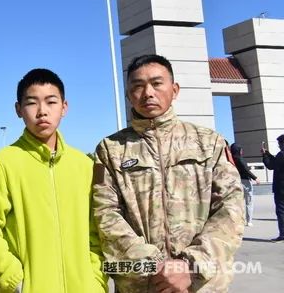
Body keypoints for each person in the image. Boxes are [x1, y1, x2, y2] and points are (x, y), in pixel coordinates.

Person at [93, 54, 244, 292]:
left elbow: (231, 208)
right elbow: (105, 214)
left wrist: (189, 265)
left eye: (156, 83)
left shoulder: (209, 143)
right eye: (138, 86)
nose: (148, 93)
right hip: (142, 284)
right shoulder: (110, 150)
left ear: (174, 90)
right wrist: (155, 266)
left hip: (201, 283)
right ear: (128, 95)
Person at [0, 68, 107, 292]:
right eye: (32, 103)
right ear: (18, 109)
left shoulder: (84, 165)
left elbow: (96, 232)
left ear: (64, 107)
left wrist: (95, 281)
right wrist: (12, 276)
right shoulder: (4, 163)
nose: (42, 111)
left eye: (51, 102)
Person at [262, 134, 284, 241]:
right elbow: (275, 161)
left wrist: (264, 156)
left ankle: (283, 234)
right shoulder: (280, 155)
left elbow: (271, 166)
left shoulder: (281, 155)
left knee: (281, 211)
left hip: (281, 189)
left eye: (280, 144)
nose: (279, 146)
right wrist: (268, 154)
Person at [230, 143, 258, 227]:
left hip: (236, 180)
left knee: (239, 202)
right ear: (238, 150)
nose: (242, 151)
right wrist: (255, 178)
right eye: (241, 149)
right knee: (249, 201)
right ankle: (249, 220)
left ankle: (239, 219)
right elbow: (246, 170)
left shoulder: (231, 159)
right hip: (245, 181)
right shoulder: (239, 159)